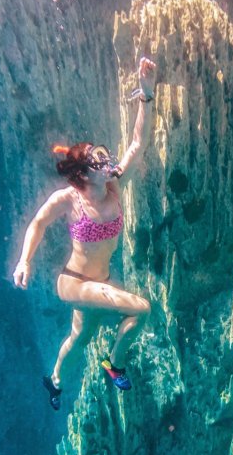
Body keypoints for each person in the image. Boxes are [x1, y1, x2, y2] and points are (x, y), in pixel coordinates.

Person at [11, 57, 157, 411]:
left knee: (80, 337)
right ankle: (114, 364)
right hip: (75, 283)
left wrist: (147, 95)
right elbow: (38, 223)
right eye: (100, 162)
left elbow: (138, 143)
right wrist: (24, 261)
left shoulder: (113, 186)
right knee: (141, 308)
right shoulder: (69, 199)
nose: (109, 165)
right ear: (82, 174)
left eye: (106, 158)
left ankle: (55, 380)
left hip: (99, 281)